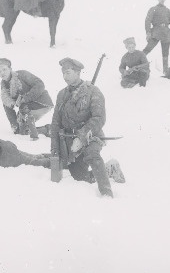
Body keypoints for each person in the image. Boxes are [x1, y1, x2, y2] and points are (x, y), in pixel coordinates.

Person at [50, 58, 125, 198]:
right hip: (69, 141)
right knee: (80, 177)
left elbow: (99, 118)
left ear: (78, 72)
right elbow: (55, 123)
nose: (65, 77)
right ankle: (110, 169)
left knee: (92, 155)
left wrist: (81, 137)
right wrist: (54, 149)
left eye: (68, 72)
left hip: (91, 135)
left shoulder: (93, 91)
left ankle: (106, 192)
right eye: (63, 73)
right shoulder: (62, 94)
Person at [0, 57, 53, 140]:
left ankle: (47, 130)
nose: (2, 73)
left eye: (4, 69)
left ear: (10, 69)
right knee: (20, 131)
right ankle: (43, 129)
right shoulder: (4, 85)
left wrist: (25, 98)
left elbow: (40, 84)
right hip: (26, 108)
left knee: (24, 125)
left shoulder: (22, 74)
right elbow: (6, 104)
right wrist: (14, 124)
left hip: (41, 103)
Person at [143, 0, 170, 75]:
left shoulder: (168, 11)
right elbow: (147, 21)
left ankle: (166, 71)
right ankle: (137, 63)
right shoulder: (153, 9)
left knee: (165, 53)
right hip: (156, 32)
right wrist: (148, 33)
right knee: (148, 49)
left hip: (166, 34)